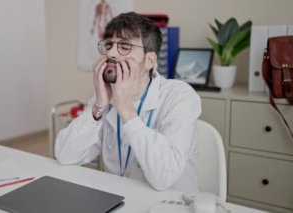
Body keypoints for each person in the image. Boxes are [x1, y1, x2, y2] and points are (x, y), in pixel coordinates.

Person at [55, 12, 201, 192]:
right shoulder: (105, 97)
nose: (111, 53)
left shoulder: (180, 96)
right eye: (109, 44)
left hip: (169, 205)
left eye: (124, 46)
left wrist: (126, 110)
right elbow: (65, 155)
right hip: (120, 201)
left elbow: (165, 177)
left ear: (149, 61)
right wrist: (99, 105)